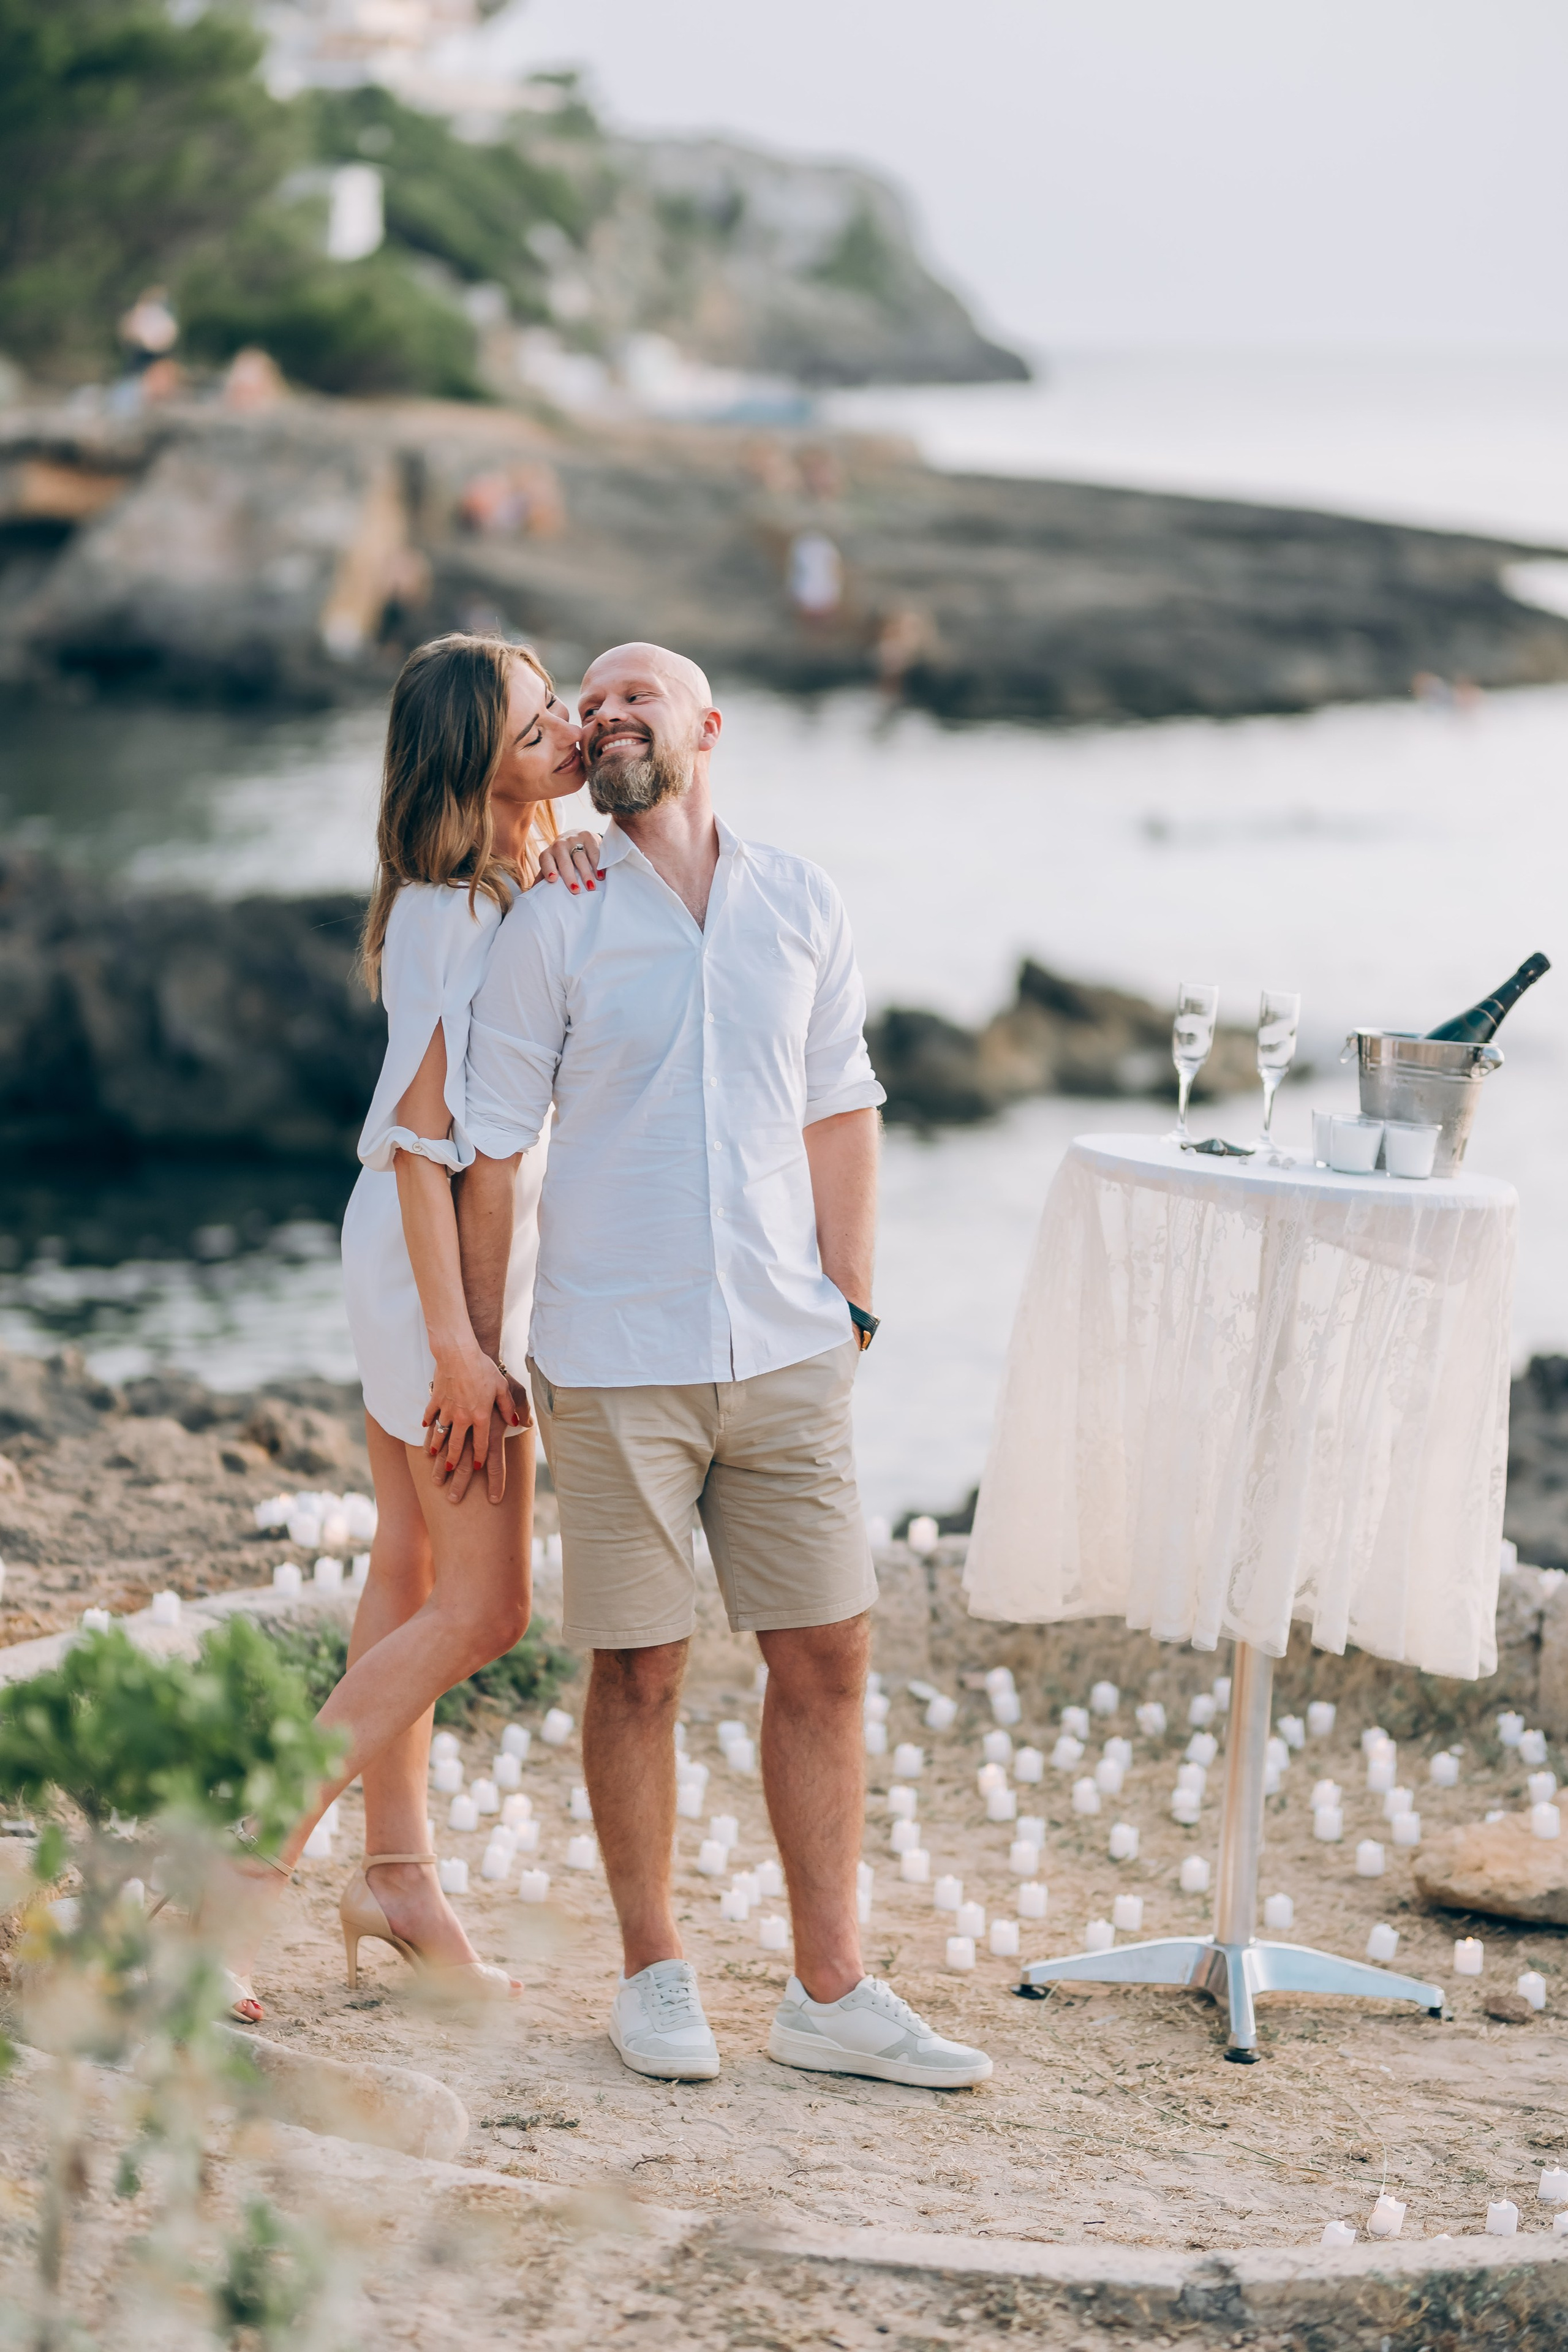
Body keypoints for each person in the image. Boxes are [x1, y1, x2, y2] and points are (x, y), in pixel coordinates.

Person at [455, 640, 993, 2089]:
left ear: (706, 724)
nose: (607, 714)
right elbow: (490, 1148)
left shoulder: (801, 899)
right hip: (610, 1354)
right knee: (636, 1668)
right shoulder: (552, 919)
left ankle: (830, 1992)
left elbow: (841, 1103)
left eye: (637, 694)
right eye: (589, 703)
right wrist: (487, 1356)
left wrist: (852, 1305)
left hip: (786, 1349)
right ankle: (652, 1973)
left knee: (827, 1655)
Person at [219, 633, 602, 2019]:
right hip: (433, 1271)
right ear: (473, 770)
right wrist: (462, 1346)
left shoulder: (508, 884)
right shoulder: (447, 914)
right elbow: (423, 1146)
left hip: (432, 1264)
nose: (568, 733)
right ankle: (239, 1877)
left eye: (558, 708)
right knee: (488, 1605)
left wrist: (555, 857)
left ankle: (399, 1879)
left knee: (410, 1566)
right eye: (534, 729)